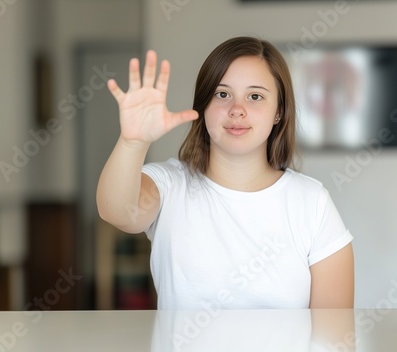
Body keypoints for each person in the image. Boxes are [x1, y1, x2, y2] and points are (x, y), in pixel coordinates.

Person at [97, 36, 354, 310]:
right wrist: (133, 141)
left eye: (255, 96)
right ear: (204, 104)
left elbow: (333, 337)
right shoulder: (170, 185)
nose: (237, 110)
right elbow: (116, 211)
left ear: (278, 112)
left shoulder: (312, 202)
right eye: (222, 94)